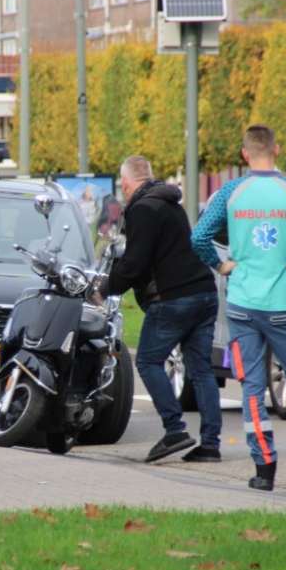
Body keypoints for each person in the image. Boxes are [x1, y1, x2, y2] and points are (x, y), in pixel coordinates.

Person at [191, 125, 286, 493]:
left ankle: (264, 471)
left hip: (243, 305)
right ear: (276, 150)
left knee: (252, 391)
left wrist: (220, 264)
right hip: (284, 307)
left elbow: (198, 236)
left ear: (245, 154)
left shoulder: (230, 191)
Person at [98, 156, 222, 464]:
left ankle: (174, 429)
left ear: (126, 184)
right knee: (201, 369)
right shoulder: (171, 204)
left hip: (174, 298)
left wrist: (104, 290)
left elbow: (135, 264)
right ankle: (210, 445)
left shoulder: (142, 210)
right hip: (205, 292)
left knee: (149, 361)